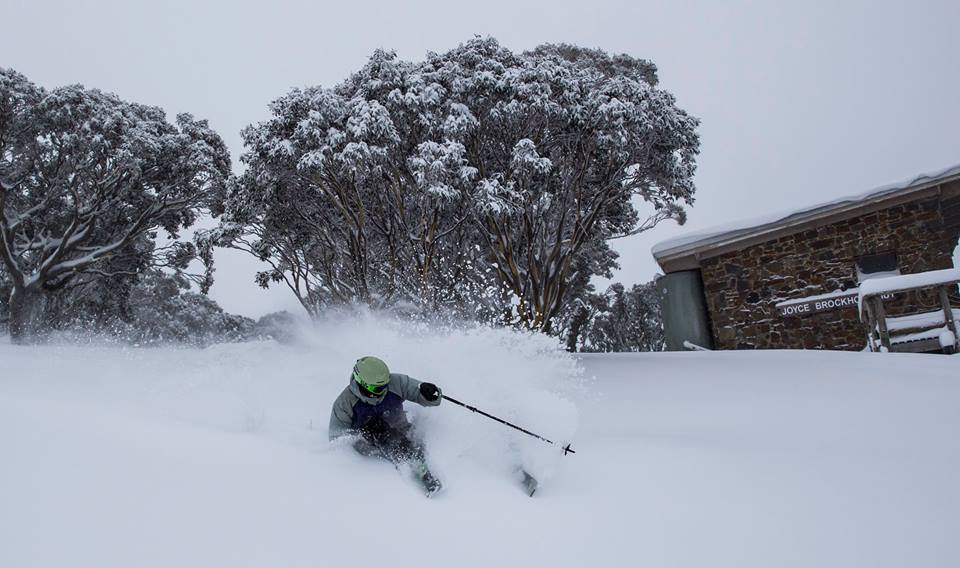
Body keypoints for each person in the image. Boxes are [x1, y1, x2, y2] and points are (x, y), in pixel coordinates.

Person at [329, 356, 443, 494]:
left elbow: (423, 395)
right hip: (370, 441)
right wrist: (359, 444)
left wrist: (431, 394)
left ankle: (421, 461)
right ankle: (414, 468)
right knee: (382, 430)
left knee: (414, 437)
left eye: (385, 386)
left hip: (401, 429)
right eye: (377, 388)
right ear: (363, 384)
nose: (383, 391)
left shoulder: (396, 382)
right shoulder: (344, 403)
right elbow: (336, 438)